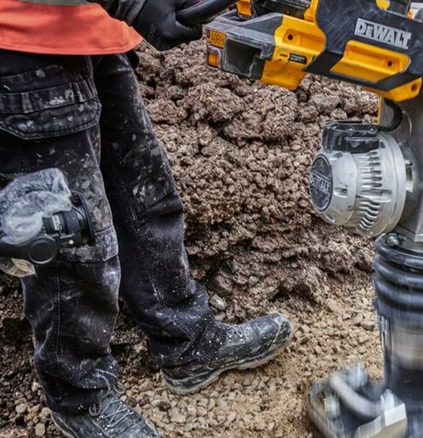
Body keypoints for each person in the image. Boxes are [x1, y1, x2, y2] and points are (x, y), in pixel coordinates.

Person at [0, 0, 295, 436]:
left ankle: (187, 343)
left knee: (144, 195)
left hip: (93, 30)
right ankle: (79, 397)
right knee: (72, 239)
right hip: (24, 41)